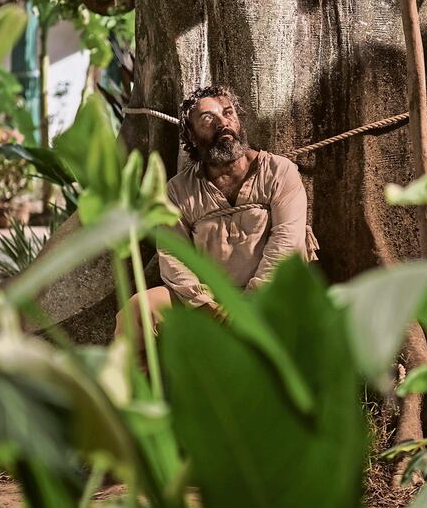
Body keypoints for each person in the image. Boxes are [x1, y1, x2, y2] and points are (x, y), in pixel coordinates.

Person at [115, 85, 316, 340]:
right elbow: (172, 254)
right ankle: (132, 380)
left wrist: (248, 303)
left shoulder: (279, 171)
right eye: (208, 119)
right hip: (209, 300)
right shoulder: (178, 190)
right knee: (137, 311)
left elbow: (286, 244)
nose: (223, 123)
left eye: (228, 113)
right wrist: (205, 304)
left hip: (274, 292)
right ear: (191, 135)